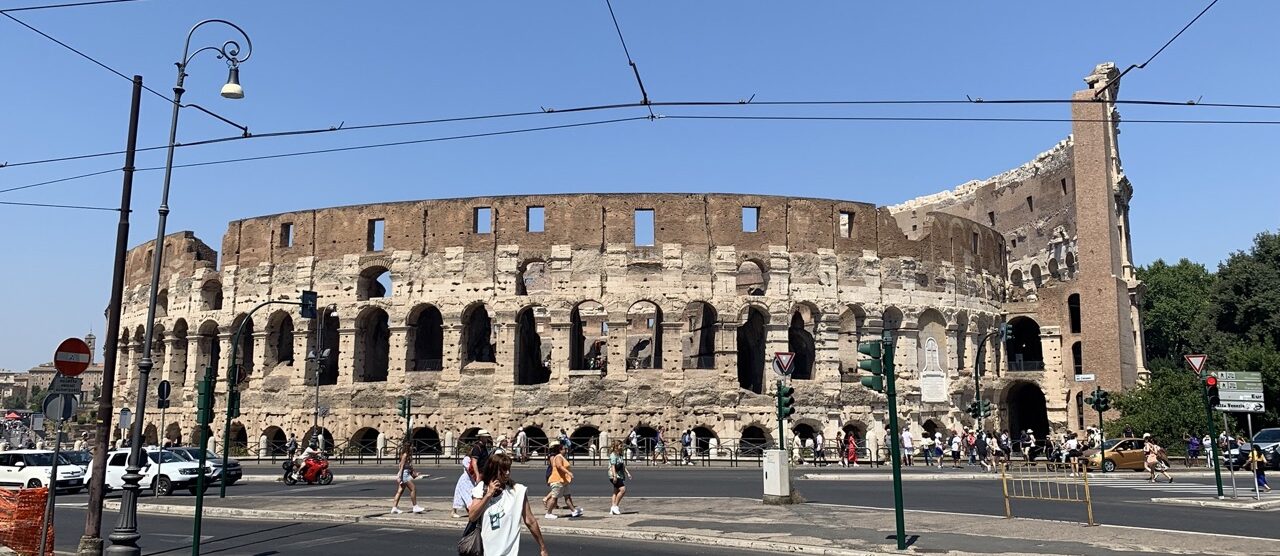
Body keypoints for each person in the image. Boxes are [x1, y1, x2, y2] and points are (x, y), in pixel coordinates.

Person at [467, 452, 550, 556]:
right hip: (487, 551)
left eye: (508, 469)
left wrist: (542, 547)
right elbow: (472, 516)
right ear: (493, 469)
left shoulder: (517, 491)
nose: (507, 473)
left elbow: (530, 521)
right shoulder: (481, 489)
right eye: (503, 470)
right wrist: (488, 495)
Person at [543, 444, 581, 518]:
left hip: (563, 481)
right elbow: (559, 466)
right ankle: (548, 513)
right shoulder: (558, 457)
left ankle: (574, 511)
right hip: (557, 480)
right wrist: (568, 472)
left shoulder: (562, 457)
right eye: (564, 449)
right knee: (554, 497)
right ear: (560, 450)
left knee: (567, 496)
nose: (565, 450)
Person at [452, 441, 482, 518]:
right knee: (464, 495)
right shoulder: (466, 459)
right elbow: (469, 469)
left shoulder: (475, 459)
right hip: (465, 479)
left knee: (470, 495)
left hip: (471, 480)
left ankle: (470, 510)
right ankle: (454, 511)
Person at [390, 443, 422, 514]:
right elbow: (401, 466)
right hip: (404, 475)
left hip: (406, 474)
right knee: (413, 489)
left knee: (400, 491)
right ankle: (415, 507)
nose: (412, 448)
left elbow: (410, 467)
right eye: (411, 447)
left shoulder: (408, 456)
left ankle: (394, 508)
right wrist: (399, 476)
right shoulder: (405, 455)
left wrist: (415, 474)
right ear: (408, 448)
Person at [607, 440, 633, 515]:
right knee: (622, 489)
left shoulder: (620, 455)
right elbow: (613, 466)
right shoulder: (613, 455)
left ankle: (612, 508)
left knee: (615, 491)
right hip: (613, 475)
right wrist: (615, 476)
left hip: (620, 474)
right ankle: (615, 506)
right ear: (616, 447)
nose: (622, 447)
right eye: (620, 446)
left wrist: (628, 473)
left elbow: (623, 465)